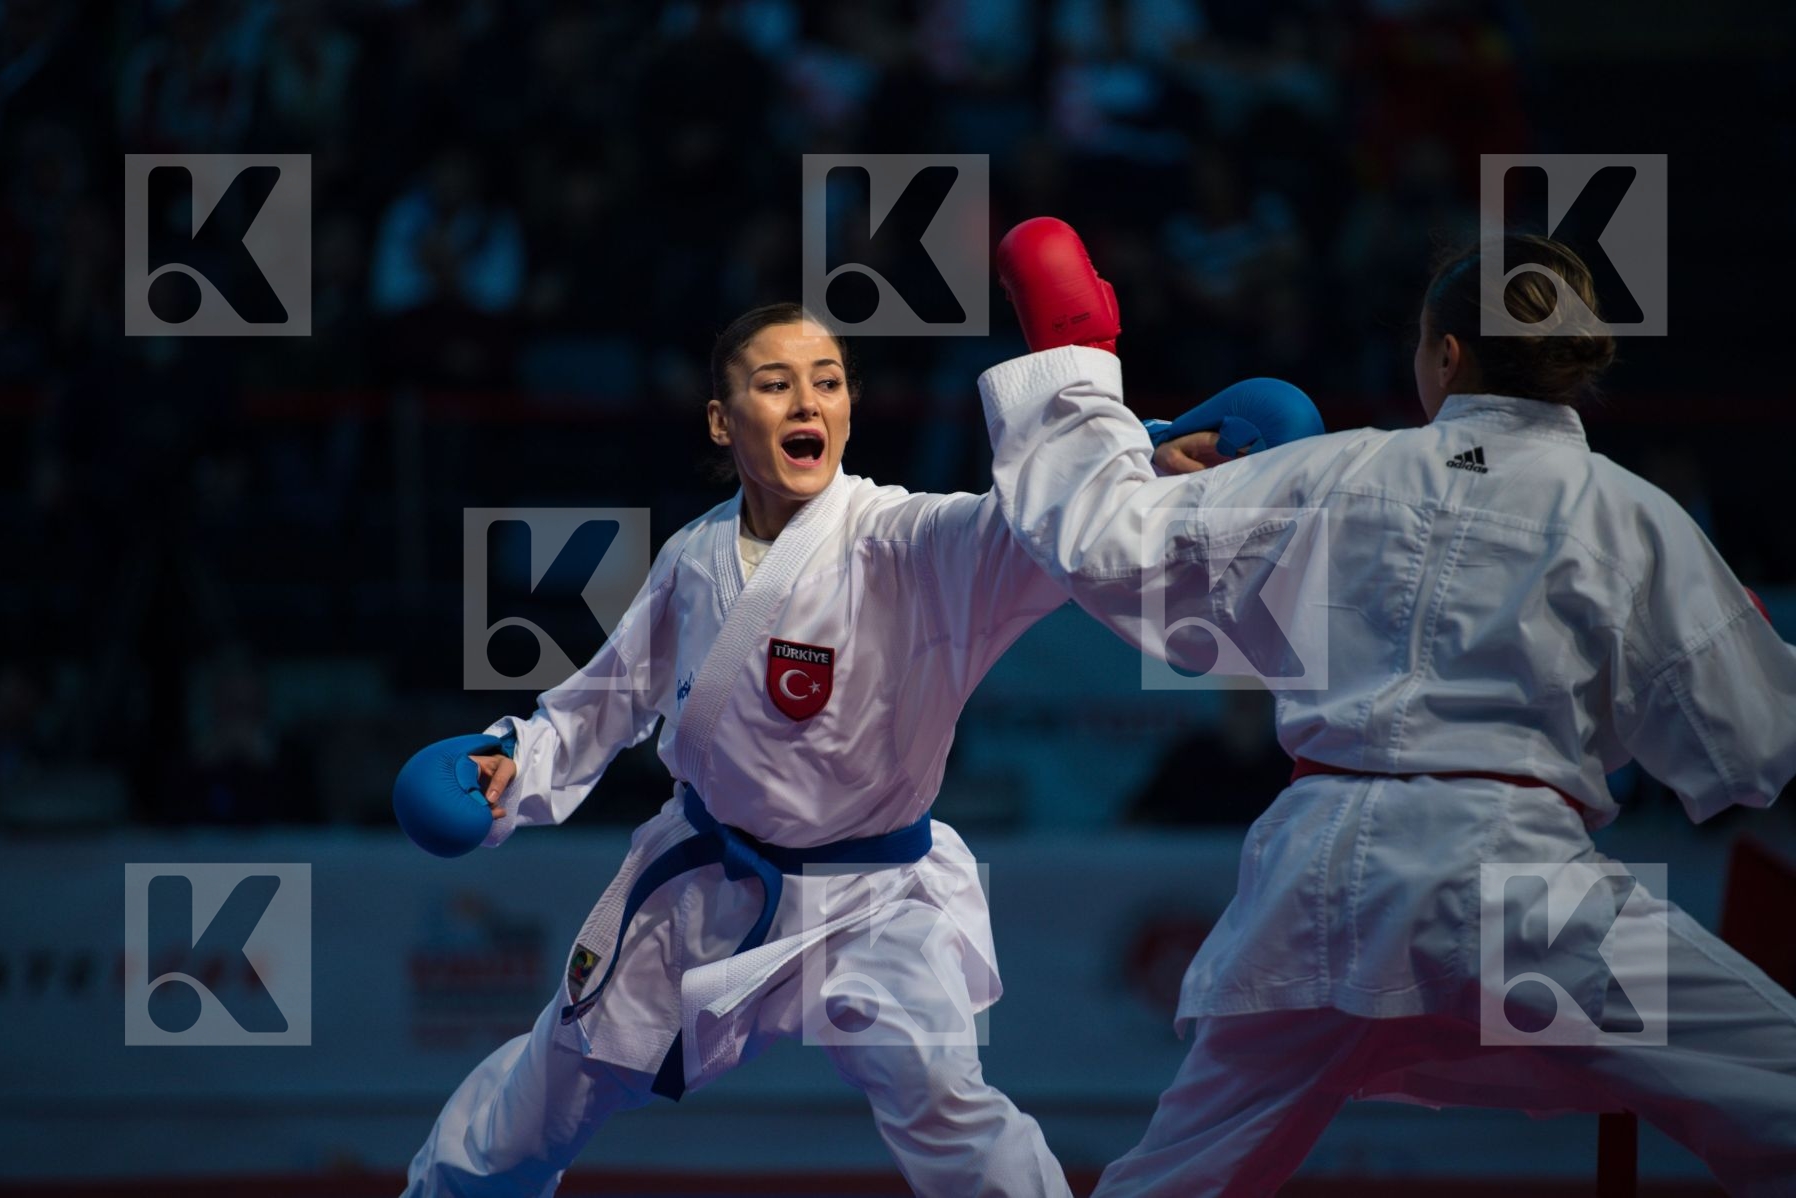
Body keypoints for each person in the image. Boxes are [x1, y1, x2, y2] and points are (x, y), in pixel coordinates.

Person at [401, 302, 1301, 1197]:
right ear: (723, 418)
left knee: (948, 1106)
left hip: (877, 900)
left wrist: (1146, 461)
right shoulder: (693, 555)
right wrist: (515, 760)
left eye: (827, 383)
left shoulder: (906, 540)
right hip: (707, 884)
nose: (808, 403)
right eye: (776, 384)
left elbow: (1035, 529)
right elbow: (606, 699)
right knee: (542, 1102)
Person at [979, 224, 1796, 1196]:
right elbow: (1756, 744)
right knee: (1780, 1092)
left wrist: (1076, 354)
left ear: (1445, 354)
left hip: (1317, 885)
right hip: (1525, 893)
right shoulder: (1628, 513)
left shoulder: (1336, 472)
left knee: (1175, 1181)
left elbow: (1104, 542)